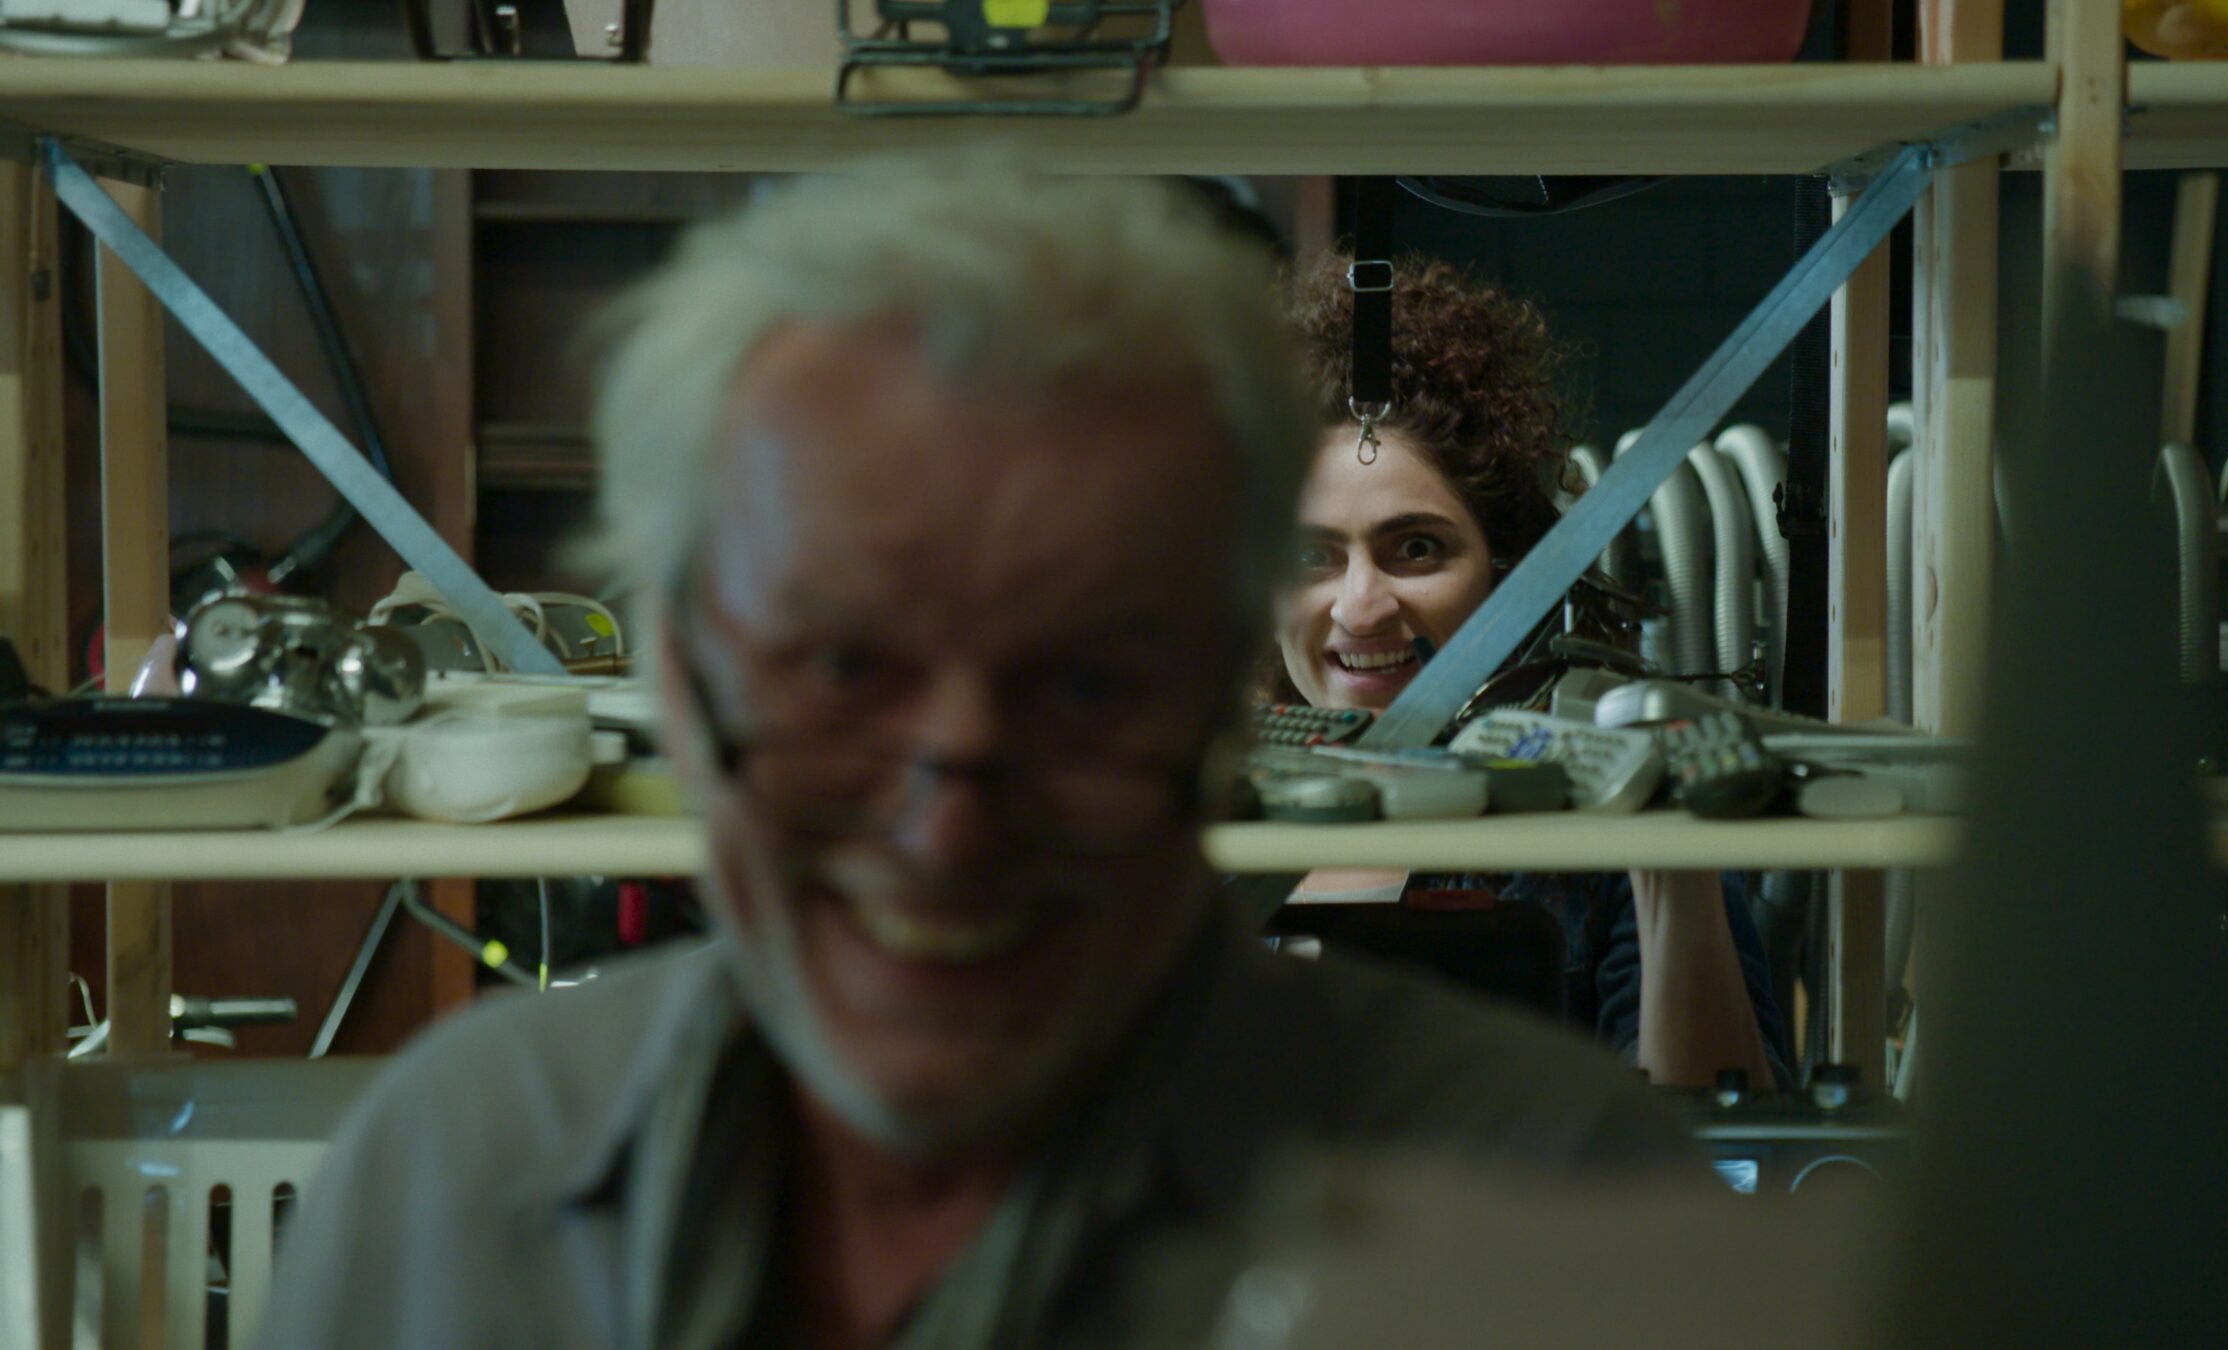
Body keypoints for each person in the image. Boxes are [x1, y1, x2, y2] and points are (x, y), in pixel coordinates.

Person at [257, 159, 1707, 1350]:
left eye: (1080, 682)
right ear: (686, 695)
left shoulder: (1554, 1193)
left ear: (1222, 704)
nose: (950, 826)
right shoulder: (452, 1180)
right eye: (846, 668)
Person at [1270, 251, 1785, 1088]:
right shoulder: (1186, 825)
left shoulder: (1604, 844)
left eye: (1417, 548)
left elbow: (1721, 1146)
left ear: (1510, 571)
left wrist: (1673, 883)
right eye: (1309, 556)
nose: (1362, 608)